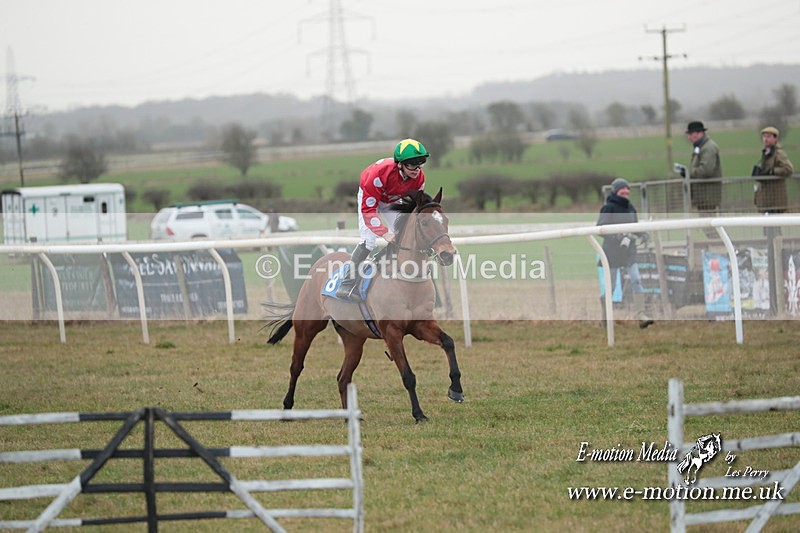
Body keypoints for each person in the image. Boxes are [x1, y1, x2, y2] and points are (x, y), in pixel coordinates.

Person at [335, 138, 430, 300]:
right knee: (369, 241)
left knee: (405, 234)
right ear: (400, 164)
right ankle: (347, 284)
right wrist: (384, 232)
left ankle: (394, 272)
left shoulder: (419, 179)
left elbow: (414, 207)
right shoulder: (378, 175)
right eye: (412, 164)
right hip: (370, 197)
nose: (417, 169)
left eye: (420, 163)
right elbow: (369, 210)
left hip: (391, 200)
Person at [597, 178, 653, 329]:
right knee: (611, 286)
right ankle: (605, 318)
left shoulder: (630, 208)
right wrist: (616, 236)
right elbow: (600, 228)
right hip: (612, 252)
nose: (626, 193)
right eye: (623, 191)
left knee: (636, 280)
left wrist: (642, 234)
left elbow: (634, 227)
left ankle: (641, 315)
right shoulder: (608, 208)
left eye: (627, 191)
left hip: (629, 251)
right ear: (615, 191)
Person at [677, 121, 722, 215]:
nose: (689, 137)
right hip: (703, 195)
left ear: (700, 133)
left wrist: (688, 173)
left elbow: (706, 170)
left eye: (691, 134)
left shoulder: (708, 148)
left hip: (708, 195)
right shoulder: (701, 147)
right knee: (705, 221)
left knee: (708, 221)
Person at [753, 126, 794, 214]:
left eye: (768, 136)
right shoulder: (766, 153)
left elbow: (789, 169)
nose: (765, 139)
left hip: (776, 199)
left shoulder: (779, 153)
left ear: (775, 139)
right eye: (764, 136)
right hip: (766, 198)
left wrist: (772, 171)